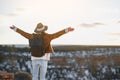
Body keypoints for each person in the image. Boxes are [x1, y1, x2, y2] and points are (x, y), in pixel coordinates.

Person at [10, 22, 74, 80]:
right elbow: (57, 34)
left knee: (34, 76)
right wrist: (67, 30)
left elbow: (23, 33)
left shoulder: (31, 36)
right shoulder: (48, 36)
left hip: (34, 58)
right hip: (44, 59)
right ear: (44, 30)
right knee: (42, 77)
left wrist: (15, 28)